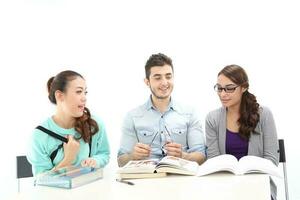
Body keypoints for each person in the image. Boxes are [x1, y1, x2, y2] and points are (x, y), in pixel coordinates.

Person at [117, 53, 206, 167]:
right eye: (158, 78)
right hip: (147, 180)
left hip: (181, 179)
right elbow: (121, 161)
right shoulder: (132, 116)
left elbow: (202, 156)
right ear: (147, 82)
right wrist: (133, 156)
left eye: (168, 76)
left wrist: (184, 156)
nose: (164, 82)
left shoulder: (190, 113)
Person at [205, 64, 279, 199]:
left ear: (244, 87)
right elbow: (214, 162)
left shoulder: (264, 114)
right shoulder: (212, 119)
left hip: (258, 187)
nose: (223, 94)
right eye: (219, 88)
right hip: (225, 188)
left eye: (230, 89)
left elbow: (272, 160)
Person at [27, 70, 110, 175]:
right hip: (55, 191)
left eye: (85, 92)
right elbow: (40, 181)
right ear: (60, 96)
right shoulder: (40, 136)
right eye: (79, 92)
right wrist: (68, 159)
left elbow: (104, 154)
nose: (84, 98)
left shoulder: (93, 124)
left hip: (90, 189)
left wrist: (95, 161)